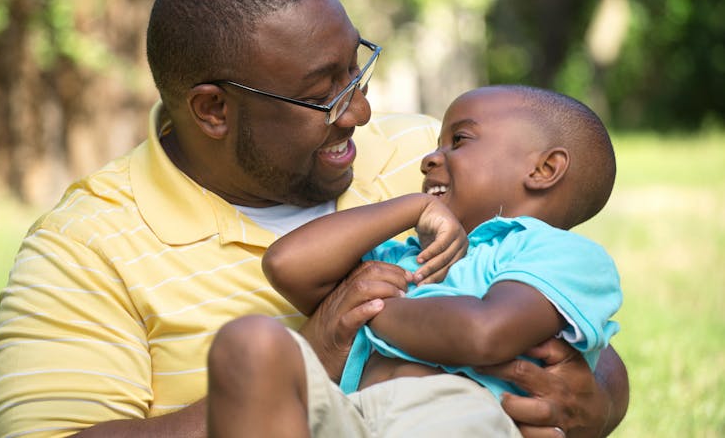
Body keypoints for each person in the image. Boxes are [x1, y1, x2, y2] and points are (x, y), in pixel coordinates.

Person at [0, 0, 627, 438]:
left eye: (358, 68)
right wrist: (309, 360)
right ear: (213, 109)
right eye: (325, 94)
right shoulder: (82, 248)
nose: (362, 113)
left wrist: (595, 396)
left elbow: (566, 316)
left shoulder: (427, 156)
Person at [207, 85, 622, 437]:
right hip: (355, 414)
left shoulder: (561, 255)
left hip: (461, 416)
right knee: (249, 342)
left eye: (458, 141)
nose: (430, 159)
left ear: (545, 168)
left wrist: (376, 311)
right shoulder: (409, 253)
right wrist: (411, 208)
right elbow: (286, 264)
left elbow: (484, 333)